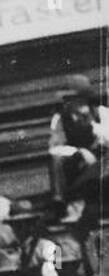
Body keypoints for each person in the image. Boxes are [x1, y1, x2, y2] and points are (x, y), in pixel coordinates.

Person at [48, 74, 108, 220]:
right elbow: (55, 148)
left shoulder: (101, 113)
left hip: (104, 161)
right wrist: (79, 151)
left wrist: (92, 127)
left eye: (75, 99)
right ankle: (60, 201)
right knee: (56, 159)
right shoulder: (60, 119)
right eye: (67, 100)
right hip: (80, 166)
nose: (70, 103)